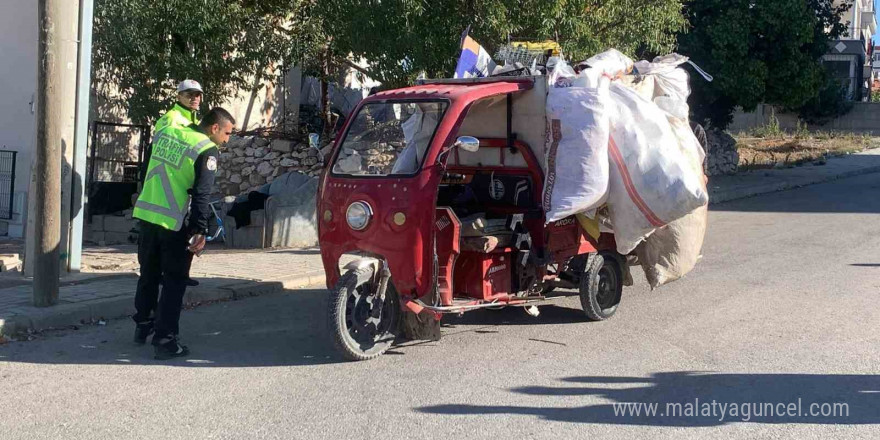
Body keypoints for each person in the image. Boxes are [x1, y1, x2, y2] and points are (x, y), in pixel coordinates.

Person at [131, 108, 234, 360]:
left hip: (147, 216)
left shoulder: (167, 134)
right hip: (174, 224)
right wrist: (200, 230)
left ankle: (143, 324)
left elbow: (145, 171)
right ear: (214, 128)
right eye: (227, 133)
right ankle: (165, 341)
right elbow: (201, 194)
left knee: (148, 275)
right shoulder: (205, 149)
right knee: (174, 283)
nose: (227, 140)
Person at [143, 79, 204, 287]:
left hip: (178, 191)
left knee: (184, 237)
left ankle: (181, 274)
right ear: (178, 96)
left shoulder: (192, 120)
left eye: (197, 94)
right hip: (165, 190)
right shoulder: (171, 119)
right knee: (164, 244)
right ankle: (168, 278)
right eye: (189, 94)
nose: (195, 98)